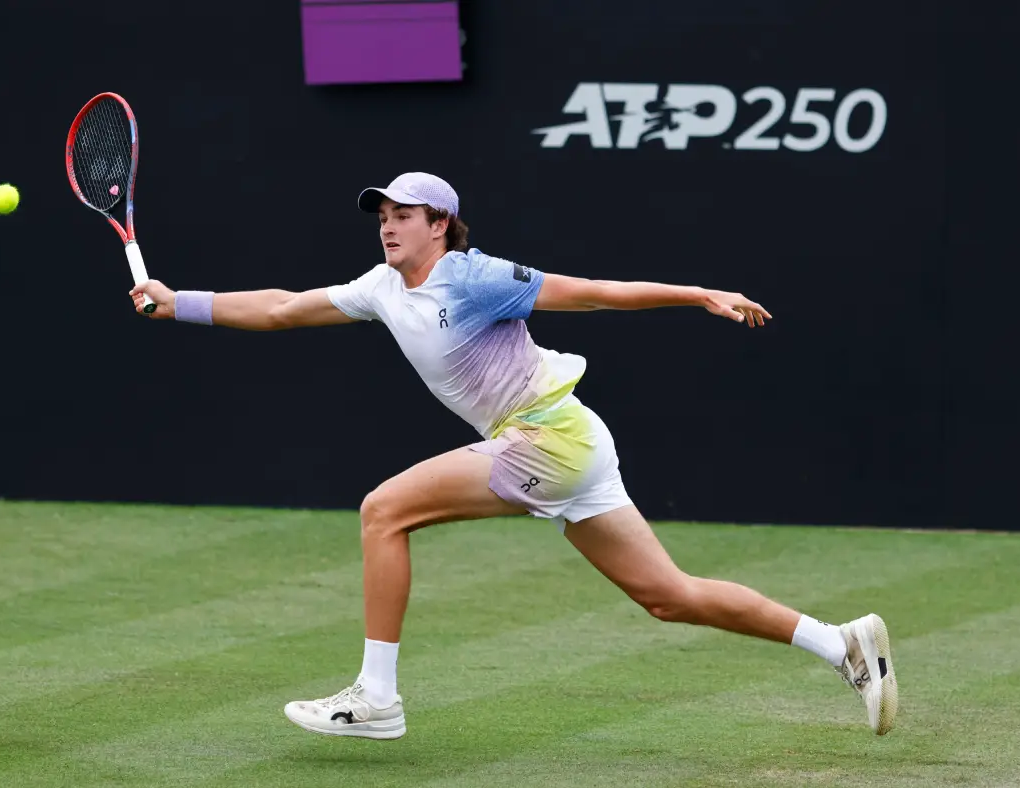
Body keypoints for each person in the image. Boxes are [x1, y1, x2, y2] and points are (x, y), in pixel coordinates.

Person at [129, 172, 899, 740]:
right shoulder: (381, 286)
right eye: (383, 216)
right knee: (668, 595)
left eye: (405, 215)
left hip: (548, 439)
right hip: (571, 443)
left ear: (443, 225)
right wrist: (179, 302)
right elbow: (282, 309)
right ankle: (842, 643)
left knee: (383, 510)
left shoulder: (476, 278)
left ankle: (377, 698)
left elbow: (592, 292)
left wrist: (695, 292)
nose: (389, 225)